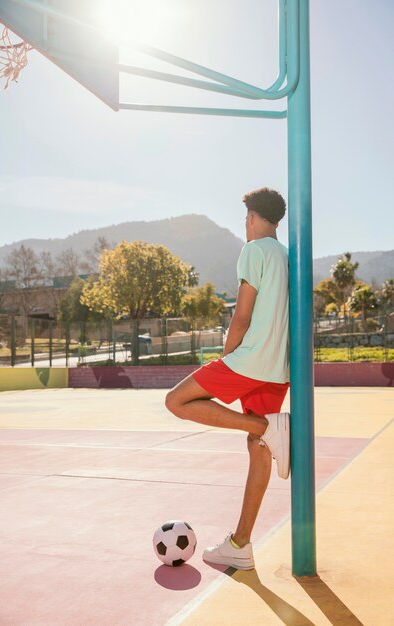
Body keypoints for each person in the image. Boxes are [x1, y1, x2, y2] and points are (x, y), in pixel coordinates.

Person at [165, 187, 290, 570]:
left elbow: (242, 315)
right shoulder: (289, 256)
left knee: (176, 401)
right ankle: (240, 544)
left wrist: (226, 356)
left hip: (248, 361)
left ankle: (263, 425)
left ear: (252, 217)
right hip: (278, 369)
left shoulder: (254, 251)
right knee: (259, 448)